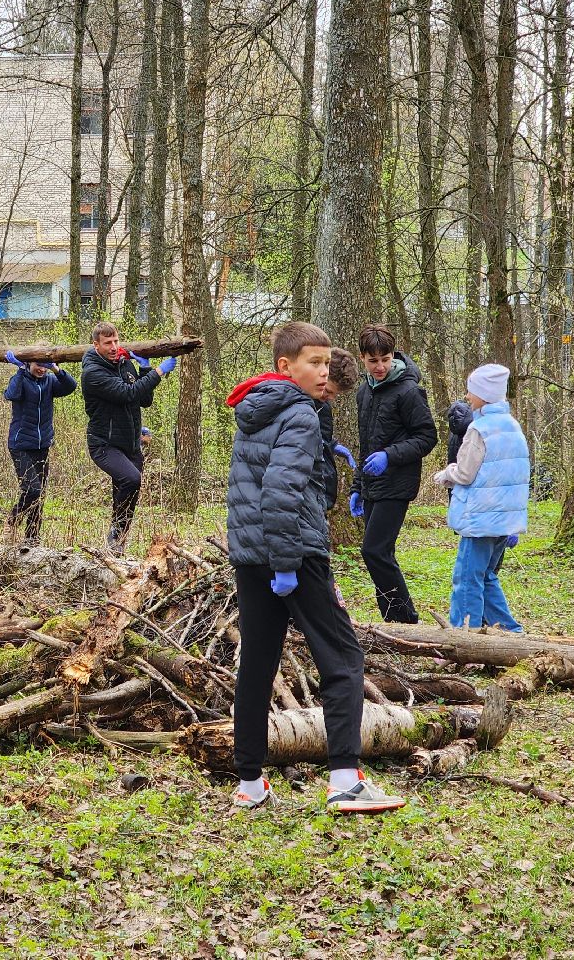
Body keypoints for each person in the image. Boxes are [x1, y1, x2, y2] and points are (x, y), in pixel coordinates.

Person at [224, 320, 404, 813]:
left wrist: (326, 458)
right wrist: (287, 566)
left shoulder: (259, 408)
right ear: (286, 367)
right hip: (293, 554)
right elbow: (280, 495)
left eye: (327, 362)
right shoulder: (299, 415)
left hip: (249, 554)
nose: (324, 372)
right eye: (314, 363)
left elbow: (263, 483)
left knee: (257, 664)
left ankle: (250, 783)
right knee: (343, 659)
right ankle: (345, 780)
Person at [349, 324, 438, 623]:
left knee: (373, 550)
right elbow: (365, 443)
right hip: (373, 484)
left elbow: (427, 436)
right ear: (362, 358)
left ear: (392, 355)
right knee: (380, 553)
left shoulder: (408, 390)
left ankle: (405, 620)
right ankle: (393, 618)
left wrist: (390, 455)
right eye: (373, 361)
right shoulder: (364, 392)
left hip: (398, 482)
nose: (380, 366)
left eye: (385, 359)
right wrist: (357, 486)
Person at [432, 364, 527, 632]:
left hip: (481, 518)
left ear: (483, 395)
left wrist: (445, 474)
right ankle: (510, 631)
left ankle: (465, 637)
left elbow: (465, 472)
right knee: (486, 576)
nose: (468, 397)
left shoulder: (479, 429)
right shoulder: (512, 425)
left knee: (467, 578)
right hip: (503, 519)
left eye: (471, 392)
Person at [80, 321, 177, 553]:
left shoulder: (124, 365)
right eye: (107, 343)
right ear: (96, 345)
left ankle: (117, 545)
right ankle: (115, 535)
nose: (114, 347)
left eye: (116, 341)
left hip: (130, 443)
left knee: (127, 491)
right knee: (131, 479)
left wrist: (143, 369)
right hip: (104, 443)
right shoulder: (92, 373)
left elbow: (144, 400)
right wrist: (158, 372)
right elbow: (127, 393)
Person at [2, 348, 78, 544]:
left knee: (39, 494)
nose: (41, 370)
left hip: (42, 444)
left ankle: (32, 538)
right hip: (20, 444)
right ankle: (13, 520)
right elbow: (11, 394)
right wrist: (20, 370)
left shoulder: (50, 382)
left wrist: (55, 368)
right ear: (28, 363)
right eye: (38, 365)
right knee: (32, 489)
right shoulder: (20, 379)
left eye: (44, 365)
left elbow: (71, 387)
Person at [317, 347, 360, 510]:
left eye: (336, 394)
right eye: (328, 391)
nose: (330, 397)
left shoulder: (323, 406)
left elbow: (319, 434)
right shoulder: (299, 403)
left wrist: (332, 445)